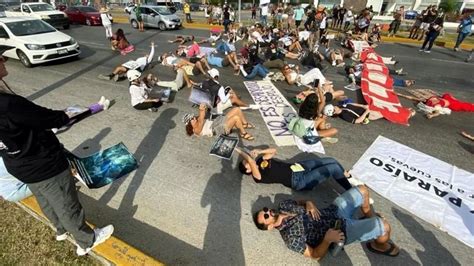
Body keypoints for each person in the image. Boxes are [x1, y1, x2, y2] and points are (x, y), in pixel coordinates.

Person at [0, 45, 113, 256]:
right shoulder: (8, 104)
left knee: (45, 200)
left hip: (20, 165)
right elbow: (46, 118)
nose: (4, 61)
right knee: (66, 202)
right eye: (0, 59)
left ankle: (60, 230)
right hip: (43, 164)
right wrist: (66, 115)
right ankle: (87, 240)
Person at [253, 185, 400, 259]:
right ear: (270, 227)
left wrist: (308, 202)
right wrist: (328, 239)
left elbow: (301, 201)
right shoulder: (291, 239)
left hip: (334, 210)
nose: (268, 212)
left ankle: (369, 219)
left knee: (362, 190)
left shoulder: (284, 205)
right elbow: (315, 255)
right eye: (266, 217)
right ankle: (379, 245)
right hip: (341, 230)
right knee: (385, 226)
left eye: (265, 209)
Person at [237, 147, 353, 191]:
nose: (248, 161)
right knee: (332, 168)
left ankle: (345, 176)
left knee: (331, 160)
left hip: (298, 167)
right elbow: (251, 161)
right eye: (246, 163)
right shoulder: (257, 176)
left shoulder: (260, 161)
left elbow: (273, 151)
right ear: (248, 170)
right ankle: (351, 190)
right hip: (299, 181)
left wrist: (259, 151)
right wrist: (238, 150)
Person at [183, 104, 255, 140]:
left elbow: (202, 114)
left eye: (193, 117)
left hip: (217, 121)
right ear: (190, 124)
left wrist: (203, 107)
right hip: (217, 129)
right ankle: (243, 133)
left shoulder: (197, 120)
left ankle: (245, 124)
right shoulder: (196, 130)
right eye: (192, 119)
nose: (194, 118)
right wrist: (201, 110)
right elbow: (201, 119)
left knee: (237, 109)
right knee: (236, 118)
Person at [396, 91, 474, 119]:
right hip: (453, 104)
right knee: (468, 106)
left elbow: (411, 98)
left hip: (449, 100)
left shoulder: (429, 101)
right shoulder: (435, 105)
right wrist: (432, 115)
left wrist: (399, 94)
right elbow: (438, 112)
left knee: (447, 95)